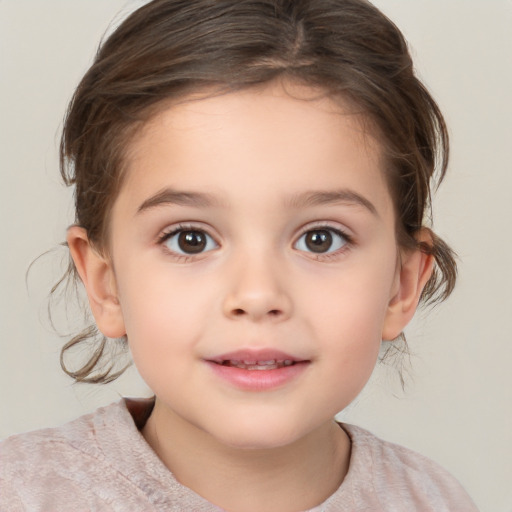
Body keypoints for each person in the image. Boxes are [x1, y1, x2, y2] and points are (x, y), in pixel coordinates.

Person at [0, 0, 479, 510]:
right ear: (105, 282)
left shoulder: (434, 500)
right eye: (190, 239)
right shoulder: (24, 494)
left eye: (321, 238)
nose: (257, 296)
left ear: (401, 284)